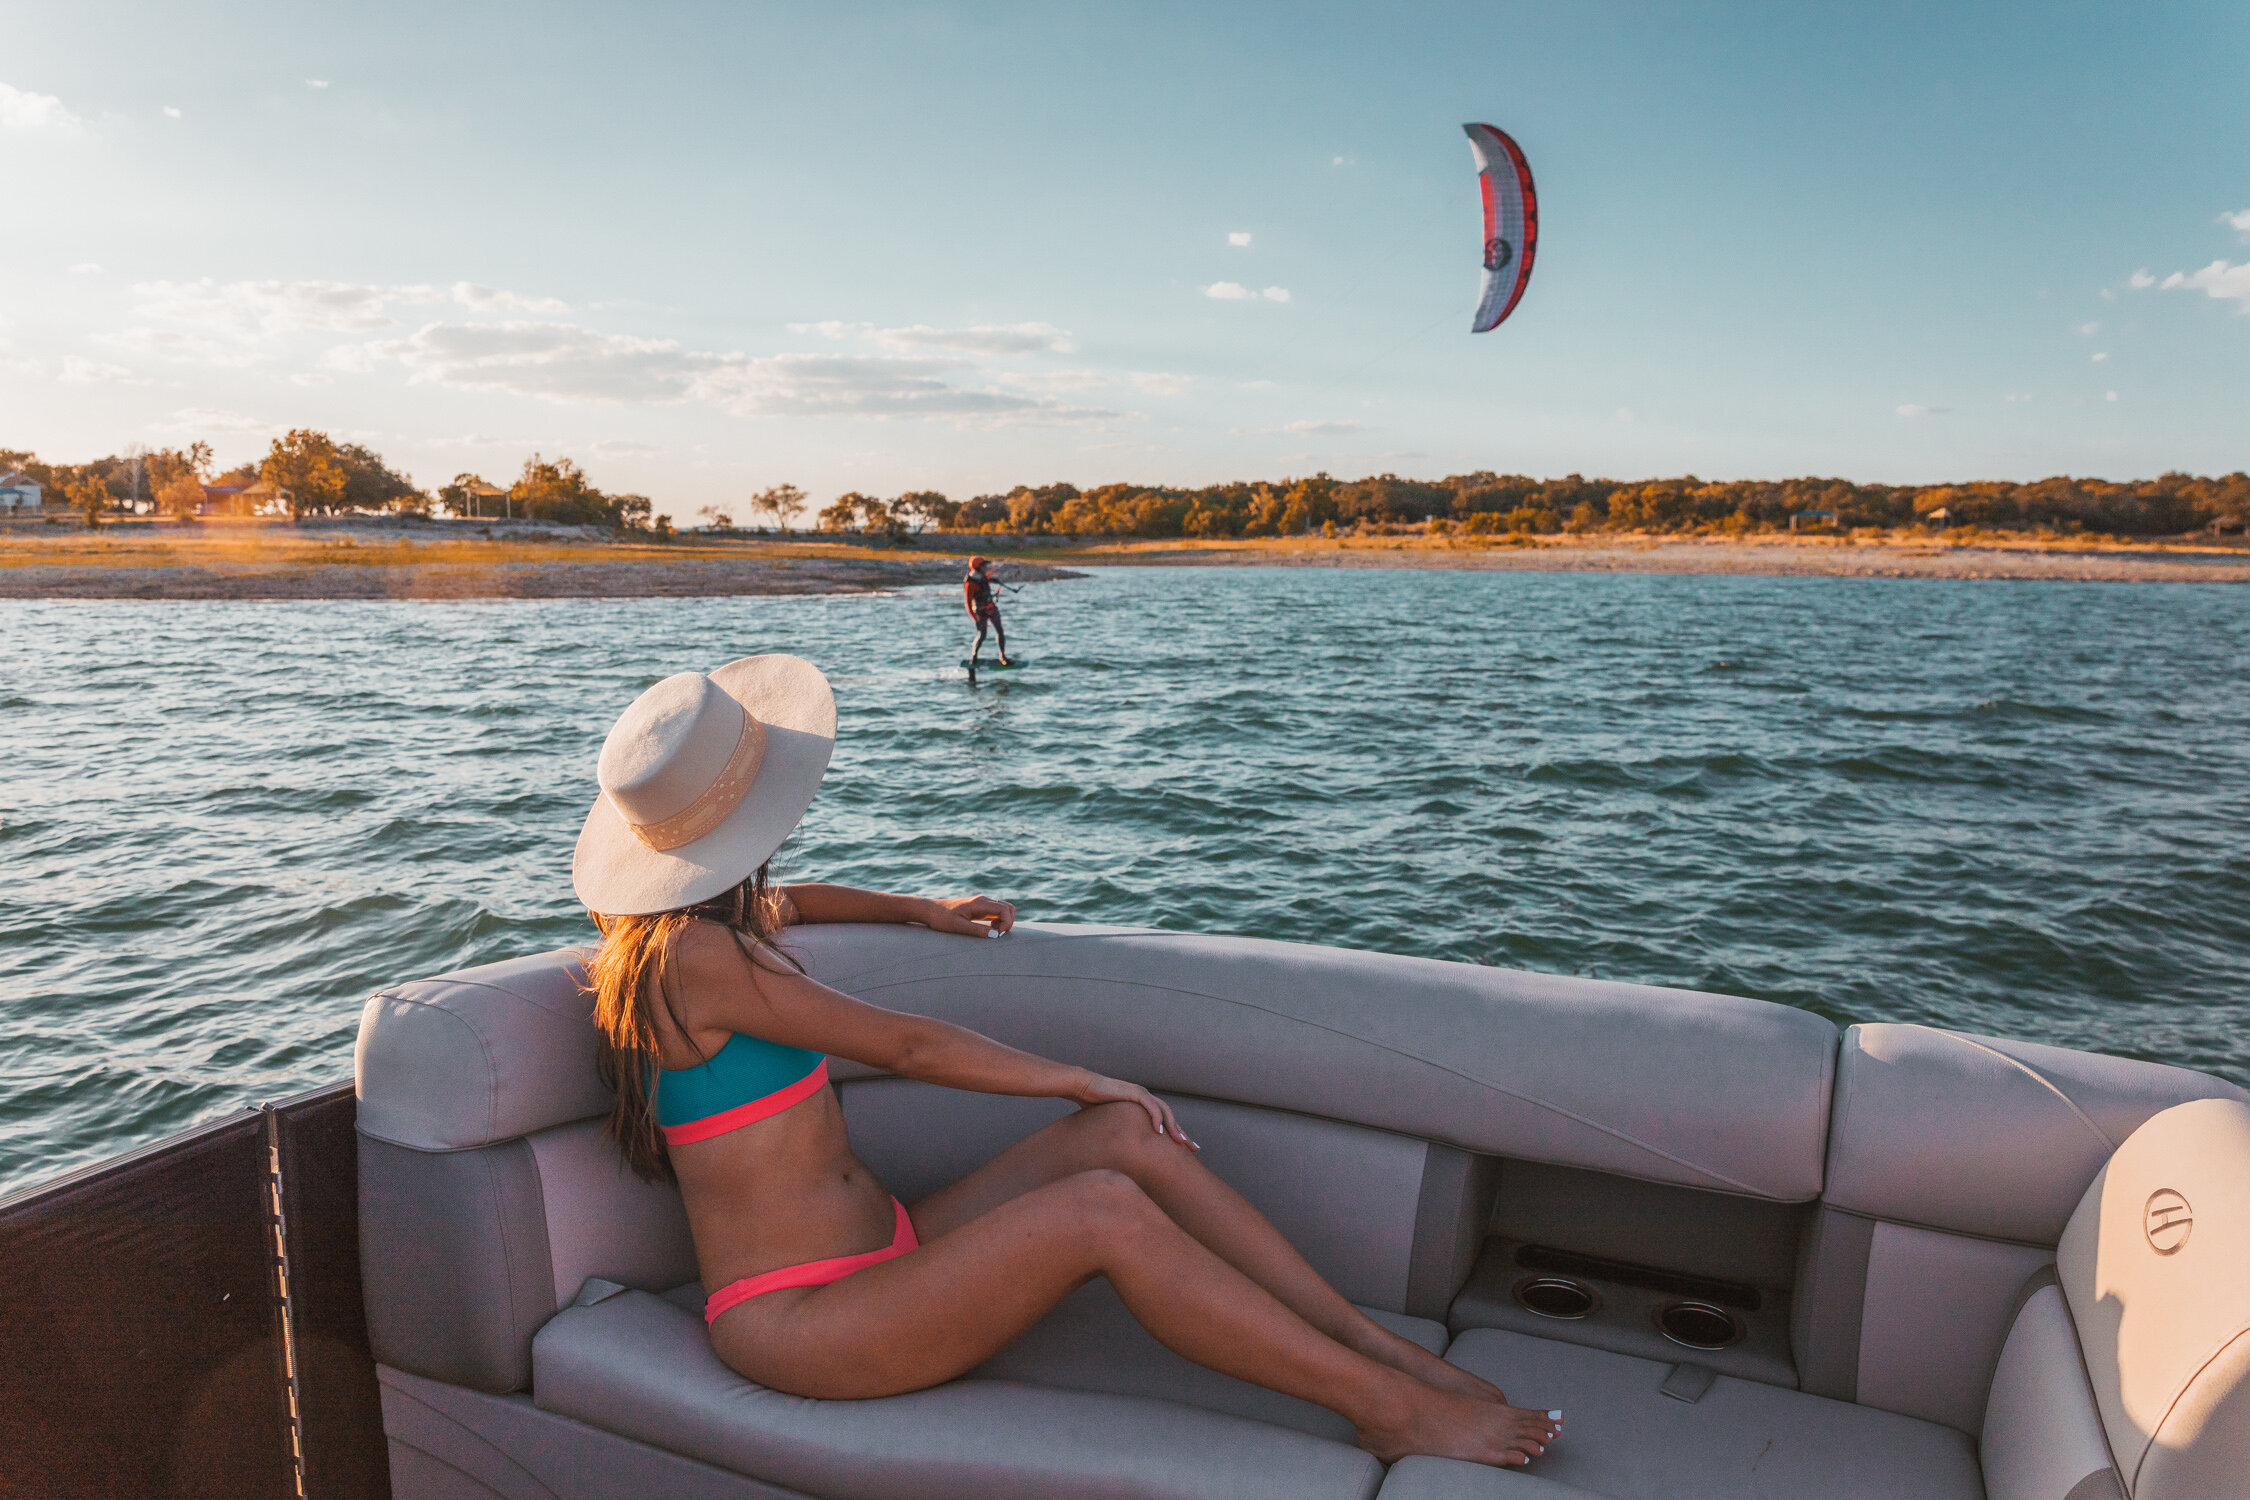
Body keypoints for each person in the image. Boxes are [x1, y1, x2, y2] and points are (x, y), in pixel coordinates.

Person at [571, 654, 1562, 1470]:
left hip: (886, 1247)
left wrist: (917, 908)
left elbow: (792, 904)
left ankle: (1368, 1338)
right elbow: (907, 1045)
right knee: (1102, 1204)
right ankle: (1385, 1403)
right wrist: (1074, 1075)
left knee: (1125, 1137)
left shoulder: (684, 929)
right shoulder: (692, 959)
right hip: (801, 1320)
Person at [963, 554, 1009, 665]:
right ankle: (974, 656)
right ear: (978, 567)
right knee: (982, 635)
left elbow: (986, 578)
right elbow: (968, 602)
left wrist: (993, 578)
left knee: (1000, 631)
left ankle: (1002, 656)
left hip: (991, 608)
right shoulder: (970, 583)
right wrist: (974, 616)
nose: (986, 567)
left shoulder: (982, 576)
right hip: (980, 612)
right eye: (983, 566)